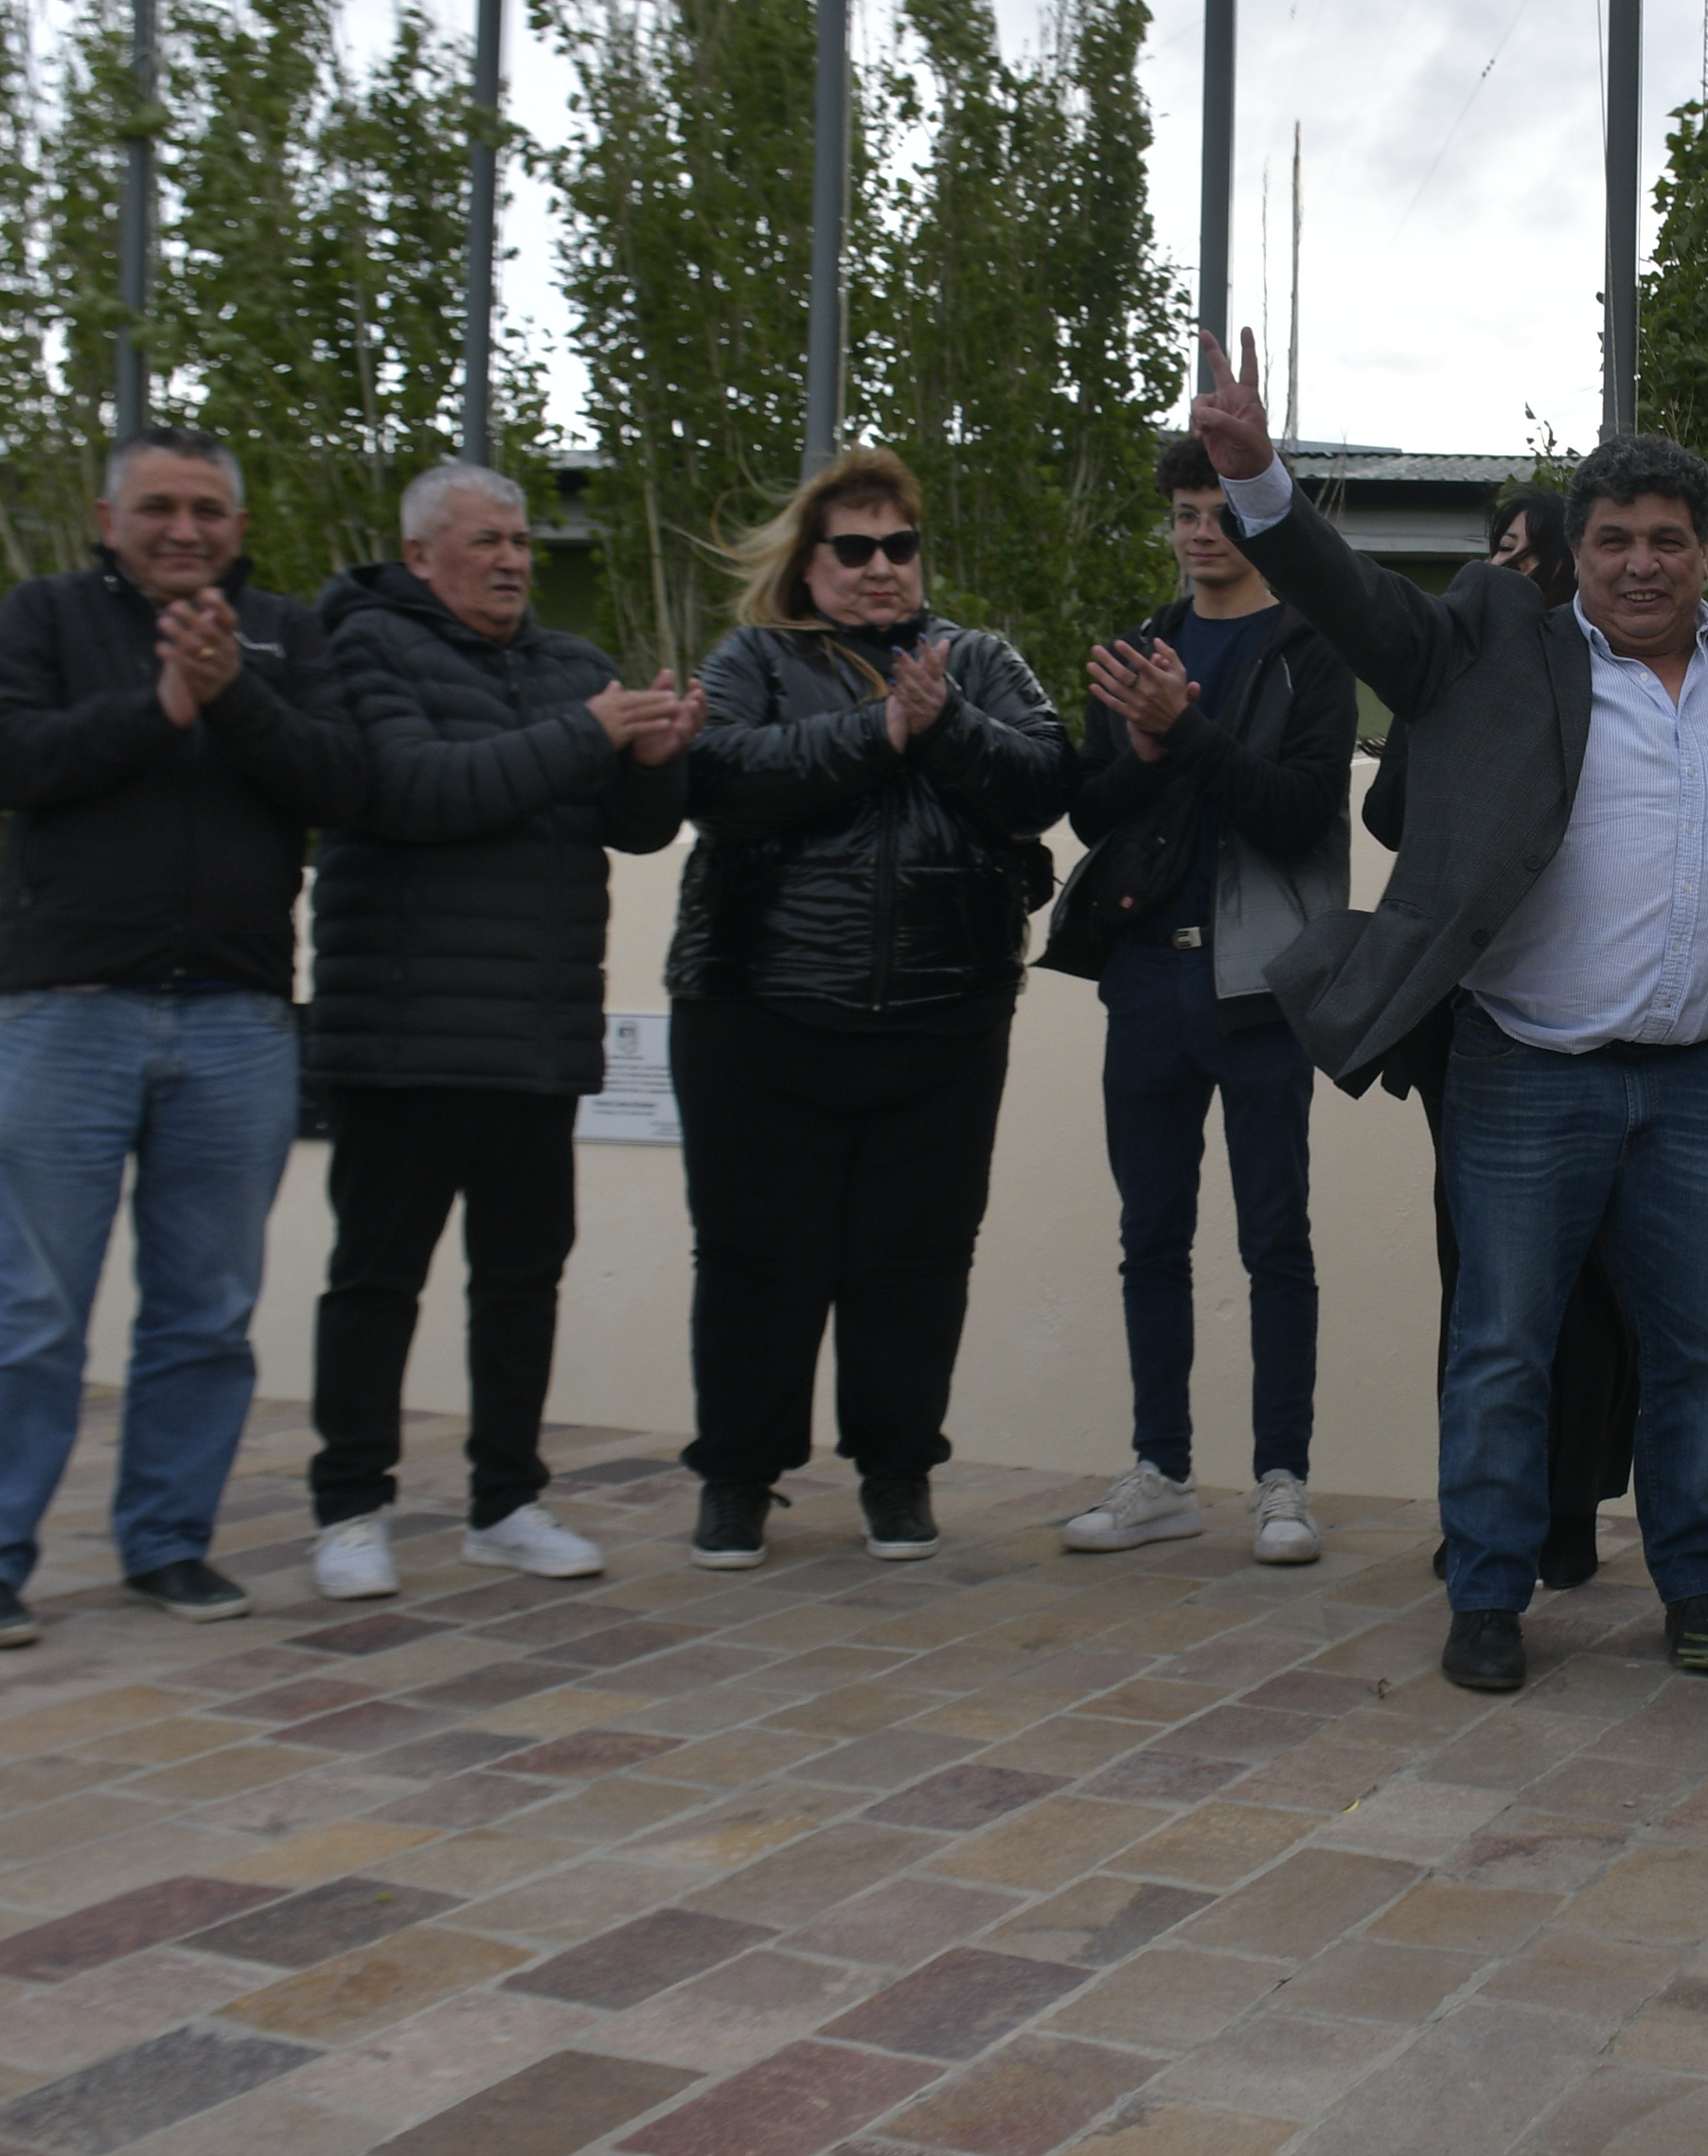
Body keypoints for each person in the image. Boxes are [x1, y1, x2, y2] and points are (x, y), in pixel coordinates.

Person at [1189, 333, 1708, 1696]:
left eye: (1667, 537)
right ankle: (1488, 1594)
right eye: (1612, 540)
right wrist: (1263, 483)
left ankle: (1697, 1590)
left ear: (1707, 549)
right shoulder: (1491, 649)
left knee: (1699, 1356)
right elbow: (1362, 610)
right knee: (1503, 1349)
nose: (1640, 562)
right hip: (1526, 1073)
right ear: (1574, 554)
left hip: (1698, 1080)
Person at [0, 425, 367, 1648]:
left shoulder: (282, 630)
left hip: (234, 1021)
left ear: (238, 522)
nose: (187, 530)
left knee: (206, 1313)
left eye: (210, 509)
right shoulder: (45, 616)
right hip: (67, 1015)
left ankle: (169, 1542)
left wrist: (232, 700)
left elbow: (340, 782)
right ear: (106, 517)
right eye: (161, 507)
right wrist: (159, 706)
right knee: (29, 1309)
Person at [298, 461, 701, 1603]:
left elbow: (631, 828)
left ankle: (507, 1501)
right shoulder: (364, 647)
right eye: (486, 542)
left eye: (521, 542)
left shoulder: (573, 665)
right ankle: (351, 1508)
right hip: (400, 1038)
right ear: (421, 556)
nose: (515, 561)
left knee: (521, 1280)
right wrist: (590, 735)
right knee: (377, 1281)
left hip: (534, 1038)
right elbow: (416, 789)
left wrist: (656, 758)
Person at [666, 449, 1073, 1571]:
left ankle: (898, 1476)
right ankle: (738, 1483)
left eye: (899, 546)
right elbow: (720, 778)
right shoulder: (753, 657)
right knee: (757, 1260)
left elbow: (1045, 779)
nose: (881, 568)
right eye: (854, 549)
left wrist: (942, 725)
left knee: (919, 1260)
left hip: (945, 1019)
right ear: (809, 564)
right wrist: (876, 733)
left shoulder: (976, 660)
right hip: (760, 1013)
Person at [1044, 439, 1356, 1566]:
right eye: (1181, 512)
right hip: (1147, 978)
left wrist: (1189, 733)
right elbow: (1092, 814)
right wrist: (1138, 751)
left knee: (1276, 1240)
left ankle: (1282, 1483)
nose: (1196, 532)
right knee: (1150, 1237)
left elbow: (1300, 809)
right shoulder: (1143, 646)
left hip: (1261, 989)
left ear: (1254, 520)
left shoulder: (1308, 651)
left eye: (1217, 512)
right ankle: (1161, 1471)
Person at [1369, 488, 1641, 1593]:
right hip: (1470, 1019)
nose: (1507, 577)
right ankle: (1485, 1510)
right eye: (1498, 557)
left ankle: (1570, 1506)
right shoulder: (1462, 664)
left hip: (1607, 1027)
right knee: (1487, 1281)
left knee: (1599, 1284)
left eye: (1530, 560)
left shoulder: (1618, 682)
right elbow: (1391, 811)